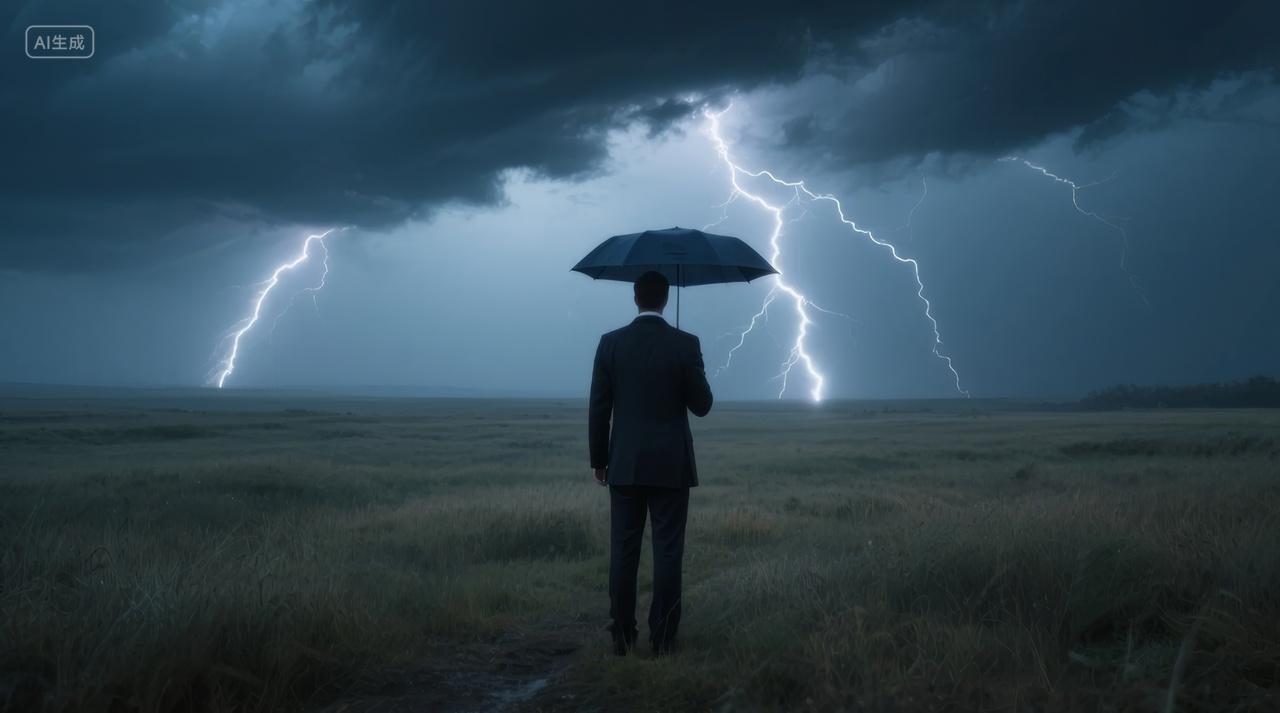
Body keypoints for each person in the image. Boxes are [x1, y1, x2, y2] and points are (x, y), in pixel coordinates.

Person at [588, 270, 714, 657]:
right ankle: (663, 638)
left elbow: (599, 408)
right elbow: (702, 406)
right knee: (668, 552)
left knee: (623, 552)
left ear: (635, 298)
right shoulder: (685, 344)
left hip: (625, 464)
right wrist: (691, 367)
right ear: (665, 299)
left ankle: (622, 635)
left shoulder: (610, 343)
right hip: (671, 466)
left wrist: (599, 460)